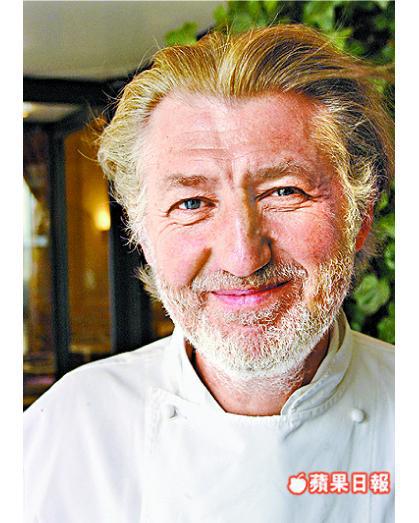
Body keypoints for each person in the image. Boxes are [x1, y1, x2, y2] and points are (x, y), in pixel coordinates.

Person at [24, 24, 394, 522]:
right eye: (192, 203)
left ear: (359, 216)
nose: (243, 258)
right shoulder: (65, 431)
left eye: (285, 192)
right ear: (142, 234)